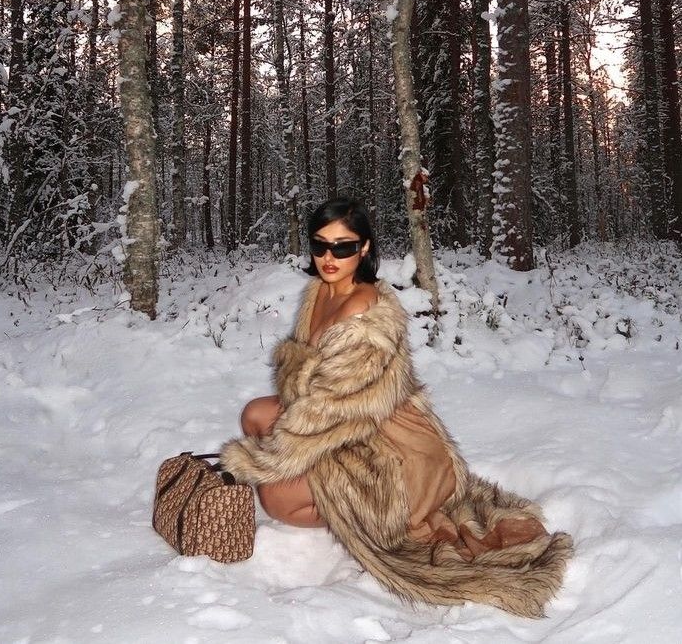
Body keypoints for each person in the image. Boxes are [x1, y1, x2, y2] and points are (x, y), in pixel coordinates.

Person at [221, 197, 572, 618]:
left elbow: (333, 412)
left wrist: (260, 462)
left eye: (344, 247)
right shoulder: (319, 291)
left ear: (364, 249)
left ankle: (374, 520)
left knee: (277, 499)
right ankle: (336, 494)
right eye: (320, 245)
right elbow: (312, 390)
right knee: (255, 414)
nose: (329, 258)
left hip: (389, 444)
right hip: (342, 421)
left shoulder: (364, 310)